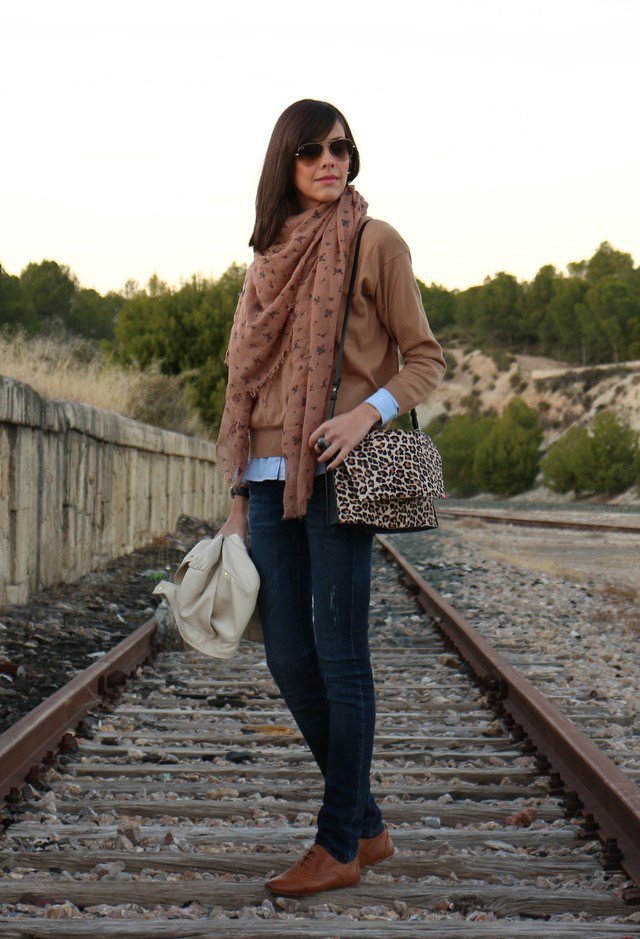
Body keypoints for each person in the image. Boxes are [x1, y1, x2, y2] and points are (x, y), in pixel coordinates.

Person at [215, 99, 446, 897]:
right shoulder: (268, 254)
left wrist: (362, 413)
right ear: (286, 161)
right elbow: (242, 383)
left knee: (342, 658)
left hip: (341, 470)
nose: (329, 160)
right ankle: (367, 823)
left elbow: (424, 358)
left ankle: (336, 841)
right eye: (311, 149)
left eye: (340, 147)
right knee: (285, 654)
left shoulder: (375, 242)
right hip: (271, 478)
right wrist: (239, 498)